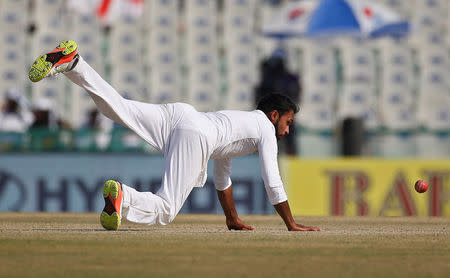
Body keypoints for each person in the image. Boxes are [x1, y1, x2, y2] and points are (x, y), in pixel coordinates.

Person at [29, 40, 320, 232]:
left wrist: (231, 218)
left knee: (117, 108)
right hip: (195, 133)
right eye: (288, 122)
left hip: (183, 116)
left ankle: (74, 63)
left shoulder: (245, 122)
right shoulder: (266, 130)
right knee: (166, 210)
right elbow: (273, 181)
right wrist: (291, 224)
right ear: (274, 115)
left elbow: (223, 173)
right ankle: (123, 195)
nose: (287, 129)